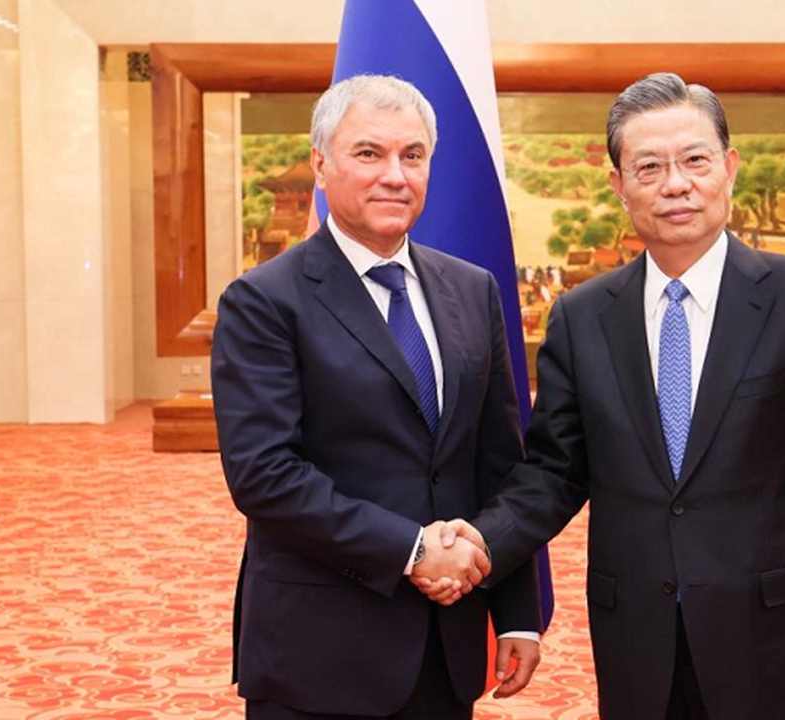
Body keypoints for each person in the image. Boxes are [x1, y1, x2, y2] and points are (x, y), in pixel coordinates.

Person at [425, 72, 785, 719]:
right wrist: (479, 539)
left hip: (772, 635)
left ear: (728, 167)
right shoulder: (582, 318)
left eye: (694, 160)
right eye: (649, 166)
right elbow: (554, 471)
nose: (676, 184)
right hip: (637, 633)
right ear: (619, 185)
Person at [211, 74, 541, 720]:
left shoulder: (473, 291)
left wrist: (519, 616)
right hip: (319, 652)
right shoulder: (265, 300)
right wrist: (413, 550)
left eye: (412, 155)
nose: (395, 174)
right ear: (320, 164)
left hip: (444, 650)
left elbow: (499, 464)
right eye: (369, 153)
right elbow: (264, 476)